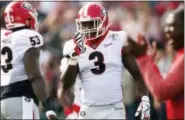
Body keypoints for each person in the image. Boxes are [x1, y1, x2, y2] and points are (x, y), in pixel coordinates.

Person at [60, 3, 150, 119]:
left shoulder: (118, 40)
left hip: (114, 109)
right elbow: (65, 85)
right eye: (84, 25)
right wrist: (74, 57)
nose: (87, 29)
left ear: (103, 22)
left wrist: (145, 100)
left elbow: (137, 75)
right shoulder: (74, 45)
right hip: (88, 109)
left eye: (91, 24)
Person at [0, 1, 57, 119]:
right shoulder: (28, 36)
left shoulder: (3, 37)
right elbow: (34, 76)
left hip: (3, 100)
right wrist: (48, 106)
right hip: (21, 98)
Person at [127, 5, 184, 119]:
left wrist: (142, 58)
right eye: (166, 27)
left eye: (172, 26)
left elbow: (161, 92)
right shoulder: (180, 55)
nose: (166, 31)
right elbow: (164, 85)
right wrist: (150, 63)